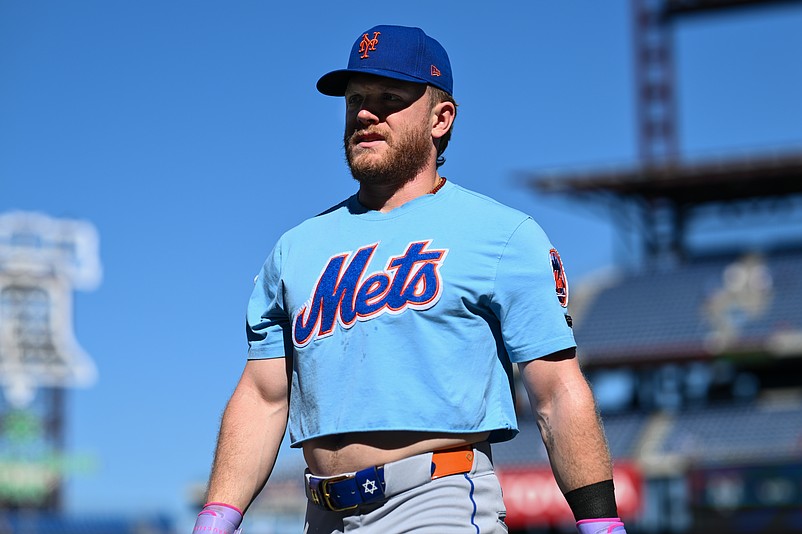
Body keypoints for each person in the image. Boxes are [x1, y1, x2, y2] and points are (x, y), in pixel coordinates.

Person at [193, 25, 627, 534]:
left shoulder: (502, 235)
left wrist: (600, 523)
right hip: (323, 515)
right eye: (356, 99)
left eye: (389, 98)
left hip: (435, 502)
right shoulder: (294, 250)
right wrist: (217, 516)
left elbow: (556, 392)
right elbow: (263, 396)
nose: (365, 113)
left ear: (441, 118)